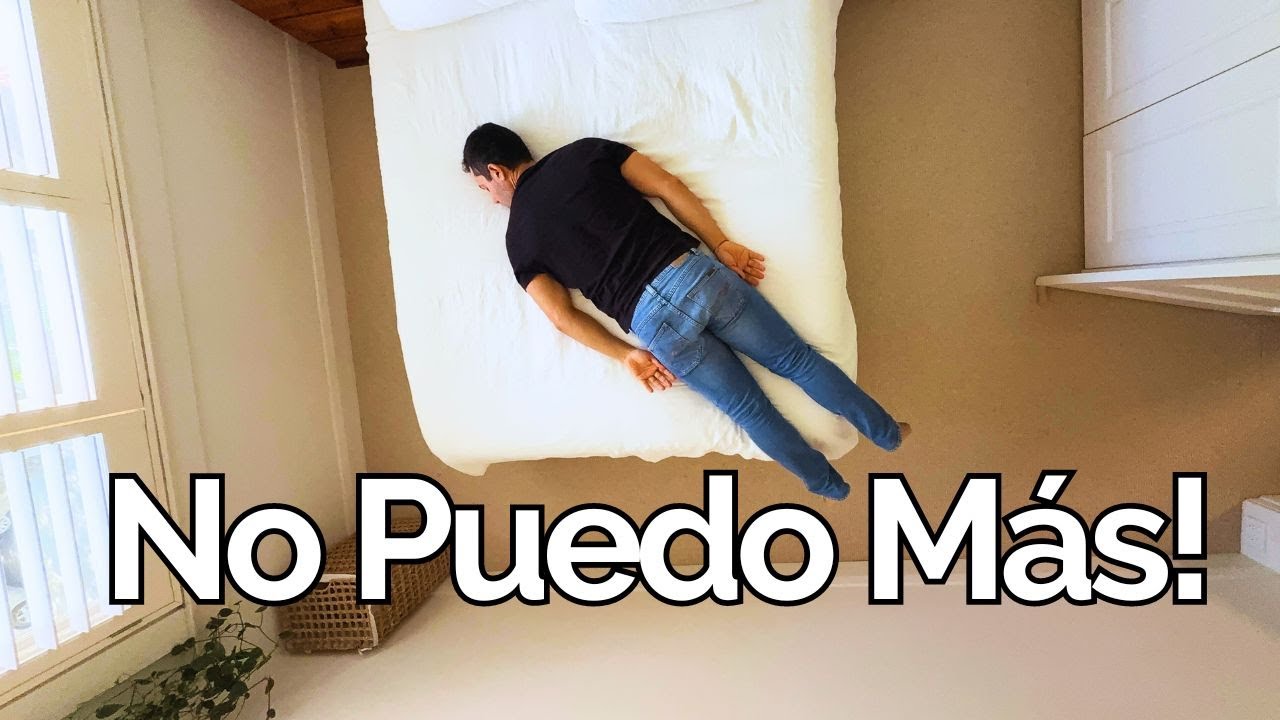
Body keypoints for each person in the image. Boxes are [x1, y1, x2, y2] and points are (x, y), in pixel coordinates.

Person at [461, 123, 909, 501]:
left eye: (484, 188)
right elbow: (667, 186)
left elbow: (561, 316)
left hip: (651, 323)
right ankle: (887, 432)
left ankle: (828, 486)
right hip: (692, 274)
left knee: (750, 411)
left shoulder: (517, 241)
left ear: (496, 171)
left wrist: (626, 355)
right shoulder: (585, 152)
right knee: (797, 360)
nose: (492, 199)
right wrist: (721, 243)